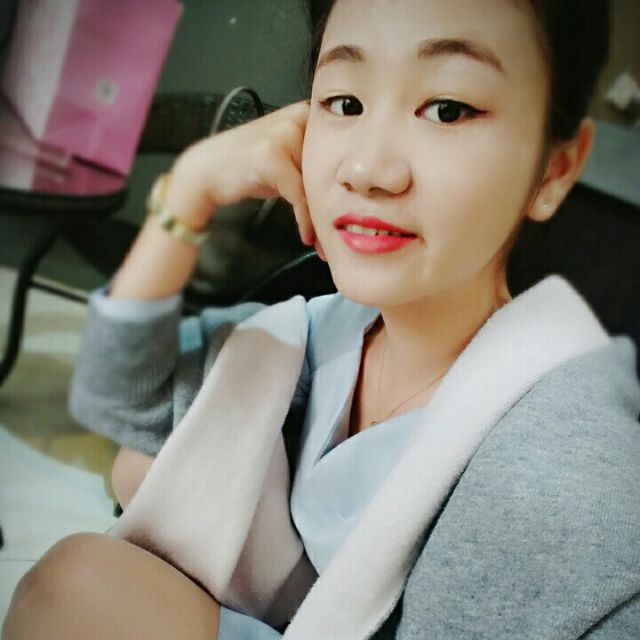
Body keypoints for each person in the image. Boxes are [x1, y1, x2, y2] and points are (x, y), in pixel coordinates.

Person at [3, 0, 639, 638]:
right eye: (345, 102)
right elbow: (116, 399)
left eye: (447, 109)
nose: (367, 170)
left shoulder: (557, 474)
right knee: (139, 472)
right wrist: (190, 190)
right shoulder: (327, 331)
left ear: (555, 168)